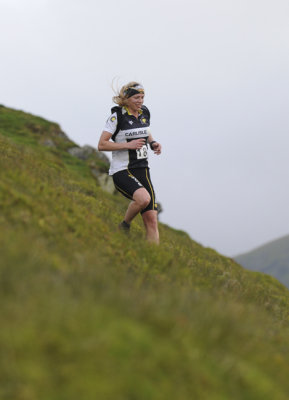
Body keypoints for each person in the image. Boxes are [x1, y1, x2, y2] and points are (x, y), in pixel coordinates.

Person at [98, 82, 162, 244]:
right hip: (123, 171)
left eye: (142, 97)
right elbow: (102, 144)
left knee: (152, 221)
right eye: (136, 97)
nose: (140, 101)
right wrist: (127, 145)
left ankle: (154, 261)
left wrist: (153, 142)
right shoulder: (117, 116)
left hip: (143, 170)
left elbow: (145, 130)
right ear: (126, 99)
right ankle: (124, 225)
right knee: (143, 199)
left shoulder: (144, 112)